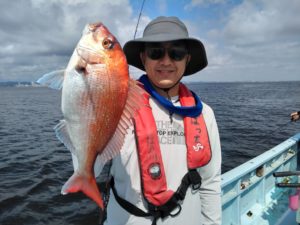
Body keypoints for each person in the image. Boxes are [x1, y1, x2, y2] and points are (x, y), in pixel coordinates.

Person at [81, 16, 221, 225]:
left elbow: (210, 182)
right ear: (144, 57)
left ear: (187, 59)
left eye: (177, 53)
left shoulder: (204, 114)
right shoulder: (117, 105)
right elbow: (91, 153)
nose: (166, 61)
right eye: (156, 52)